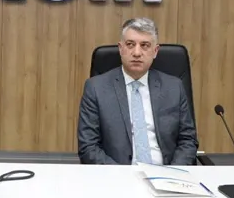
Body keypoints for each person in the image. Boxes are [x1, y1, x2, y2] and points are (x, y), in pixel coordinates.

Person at [77, 18, 199, 165]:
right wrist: (121, 175)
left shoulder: (174, 87)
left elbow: (188, 140)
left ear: (155, 51)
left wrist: (173, 173)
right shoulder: (96, 88)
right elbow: (88, 147)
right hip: (116, 174)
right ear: (120, 48)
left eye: (144, 45)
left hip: (166, 172)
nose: (136, 52)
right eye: (130, 44)